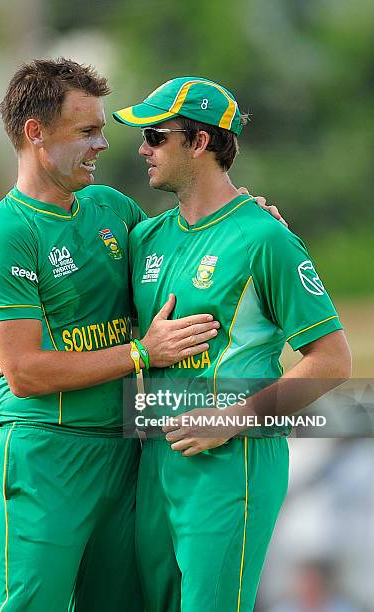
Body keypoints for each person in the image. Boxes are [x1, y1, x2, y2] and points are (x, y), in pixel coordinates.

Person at [0, 59, 224, 612]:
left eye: (101, 129)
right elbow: (27, 372)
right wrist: (139, 352)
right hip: (46, 454)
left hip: (126, 448)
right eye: (86, 131)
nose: (103, 144)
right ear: (36, 134)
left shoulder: (113, 208)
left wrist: (253, 219)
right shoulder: (5, 234)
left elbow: (191, 250)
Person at [112, 77, 352, 611]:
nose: (142, 148)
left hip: (231, 464)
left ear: (199, 143)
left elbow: (333, 361)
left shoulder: (265, 237)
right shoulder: (146, 237)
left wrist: (231, 419)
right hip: (154, 458)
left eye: (156, 135)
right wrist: (6, 352)